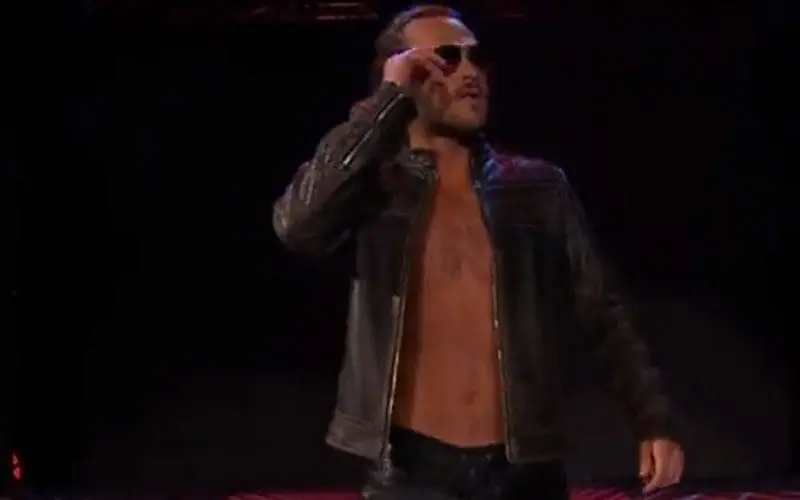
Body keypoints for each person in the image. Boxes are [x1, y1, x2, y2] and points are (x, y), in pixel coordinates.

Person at [272, 4, 684, 499]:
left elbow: (602, 309)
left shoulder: (535, 186)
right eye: (446, 58)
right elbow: (298, 225)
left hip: (523, 468)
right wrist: (386, 99)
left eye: (477, 57)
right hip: (412, 472)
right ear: (402, 73)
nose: (470, 72)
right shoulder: (376, 186)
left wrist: (652, 418)